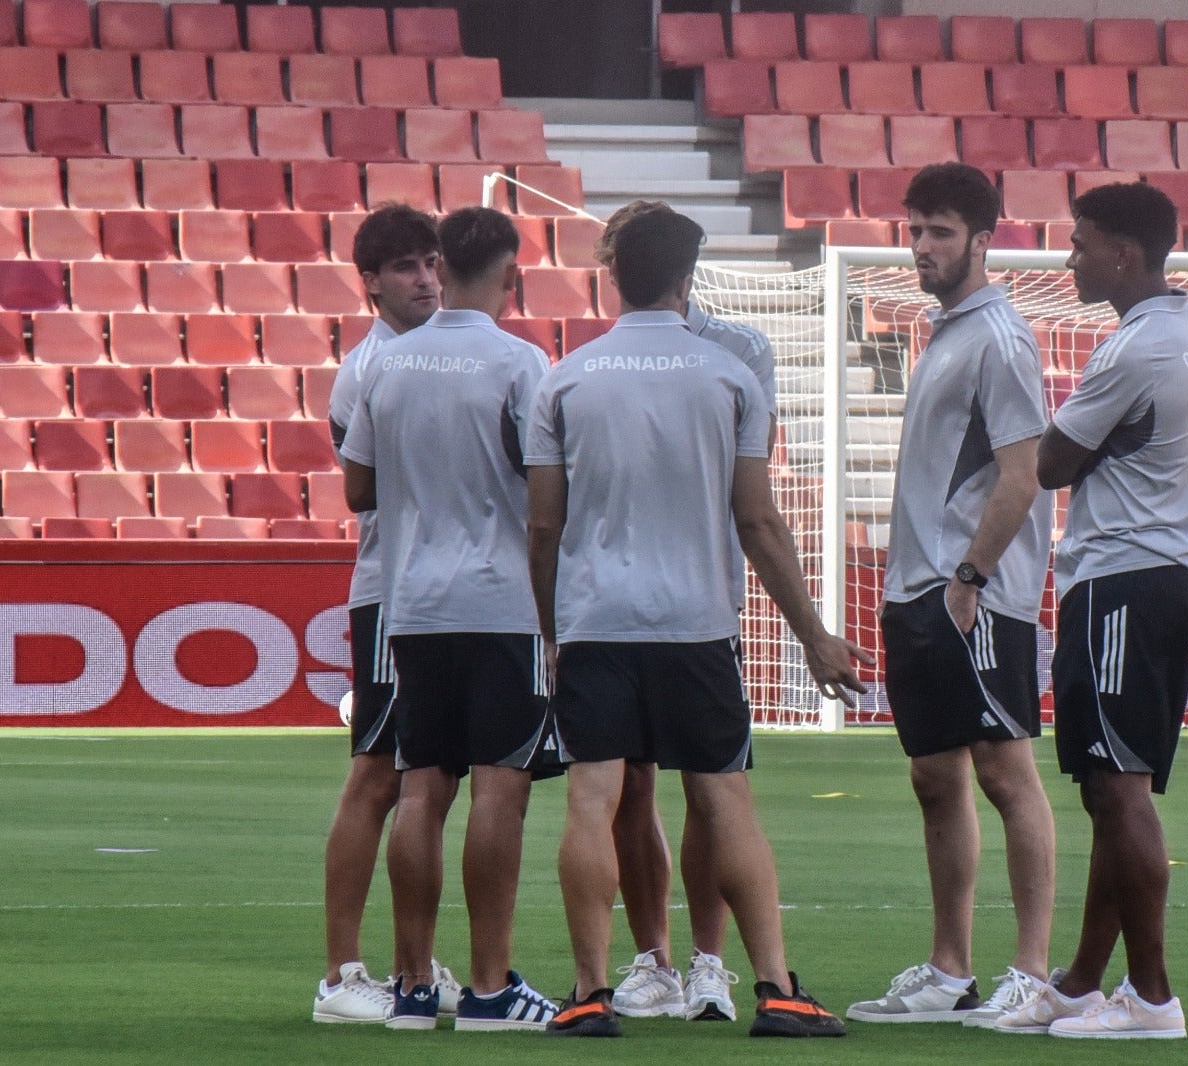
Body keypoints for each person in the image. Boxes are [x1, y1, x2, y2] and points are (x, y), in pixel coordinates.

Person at [526, 208, 870, 1039]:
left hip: (597, 619)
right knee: (724, 798)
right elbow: (757, 521)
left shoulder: (565, 380)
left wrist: (551, 629)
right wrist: (814, 636)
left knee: (593, 799)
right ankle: (777, 989)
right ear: (689, 275)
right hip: (697, 624)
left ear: (615, 275)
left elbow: (542, 525)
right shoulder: (730, 377)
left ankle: (589, 991)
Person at [1007, 181, 1188, 1040]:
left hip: (1120, 580)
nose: (1070, 259)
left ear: (1124, 255)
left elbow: (1051, 464)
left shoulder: (1132, 352)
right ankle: (1080, 984)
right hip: (1173, 574)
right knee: (1111, 785)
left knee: (1115, 789)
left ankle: (1153, 996)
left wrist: (1066, 437)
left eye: (1082, 244)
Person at [846, 163, 1058, 1028]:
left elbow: (1024, 473)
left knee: (1006, 772)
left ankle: (1034, 972)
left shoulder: (1000, 338)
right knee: (935, 776)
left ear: (982, 239)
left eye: (940, 232)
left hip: (972, 593)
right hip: (919, 587)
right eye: (915, 231)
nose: (922, 247)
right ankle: (948, 970)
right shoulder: (947, 333)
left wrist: (971, 578)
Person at [340, 206, 559, 1032]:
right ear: (508, 273)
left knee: (422, 786)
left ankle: (411, 987)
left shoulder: (387, 364)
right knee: (501, 786)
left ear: (443, 264)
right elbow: (548, 491)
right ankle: (492, 989)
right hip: (499, 600)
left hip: (412, 604)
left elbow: (358, 488)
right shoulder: (521, 362)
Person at [590, 201, 779, 1024]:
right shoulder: (596, 364)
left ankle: (709, 962)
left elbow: (748, 488)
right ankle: (652, 960)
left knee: (709, 788)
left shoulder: (740, 352)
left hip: (701, 601)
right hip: (620, 605)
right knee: (629, 786)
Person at [313, 204, 446, 1025]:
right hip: (397, 593)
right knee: (378, 775)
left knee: (429, 778)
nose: (426, 279)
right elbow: (372, 495)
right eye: (405, 267)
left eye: (431, 262)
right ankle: (340, 975)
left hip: (441, 593)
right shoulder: (369, 371)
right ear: (370, 283)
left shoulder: (441, 355)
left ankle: (414, 969)